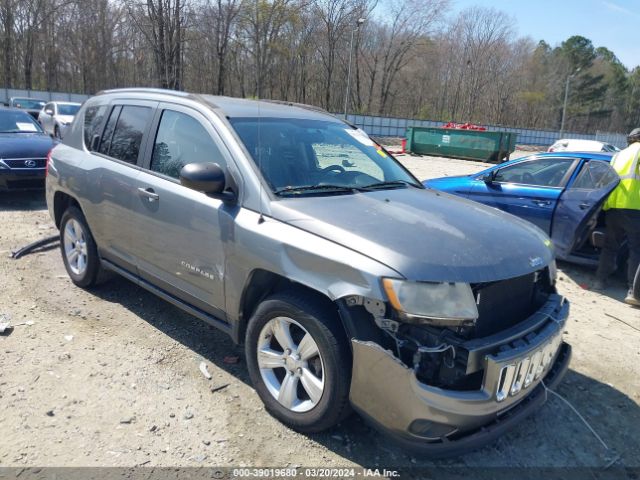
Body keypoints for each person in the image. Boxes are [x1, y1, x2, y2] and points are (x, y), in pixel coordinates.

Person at [594, 128, 640, 306]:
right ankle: (633, 292)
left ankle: (599, 281)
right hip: (635, 209)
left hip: (613, 208)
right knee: (636, 250)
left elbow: (608, 180)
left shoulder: (617, 155)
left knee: (610, 246)